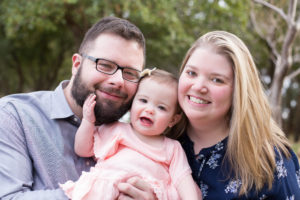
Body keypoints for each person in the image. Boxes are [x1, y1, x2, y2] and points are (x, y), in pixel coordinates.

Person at [0, 16, 159, 199]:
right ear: (77, 65)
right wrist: (98, 193)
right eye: (105, 65)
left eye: (130, 73)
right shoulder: (14, 116)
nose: (118, 81)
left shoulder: (142, 138)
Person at [172, 30, 300, 199]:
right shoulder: (157, 134)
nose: (198, 86)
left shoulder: (270, 160)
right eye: (191, 73)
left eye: (217, 79)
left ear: (238, 91)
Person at [59, 69, 201, 200]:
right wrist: (88, 122)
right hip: (104, 192)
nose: (149, 110)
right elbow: (83, 149)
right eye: (143, 100)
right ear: (132, 104)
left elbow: (183, 180)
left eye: (161, 107)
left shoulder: (171, 148)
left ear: (173, 119)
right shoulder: (116, 129)